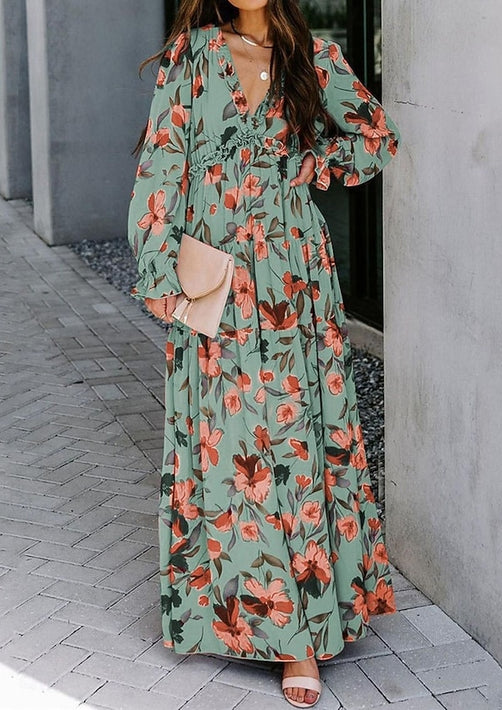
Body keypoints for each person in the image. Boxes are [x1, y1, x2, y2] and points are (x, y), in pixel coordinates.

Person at [127, 0, 401, 706]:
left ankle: (300, 641)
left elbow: (376, 137)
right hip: (215, 277)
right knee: (226, 445)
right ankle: (224, 614)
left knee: (296, 443)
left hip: (294, 281)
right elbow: (161, 165)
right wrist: (158, 272)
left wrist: (315, 163)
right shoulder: (192, 56)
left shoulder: (314, 59)